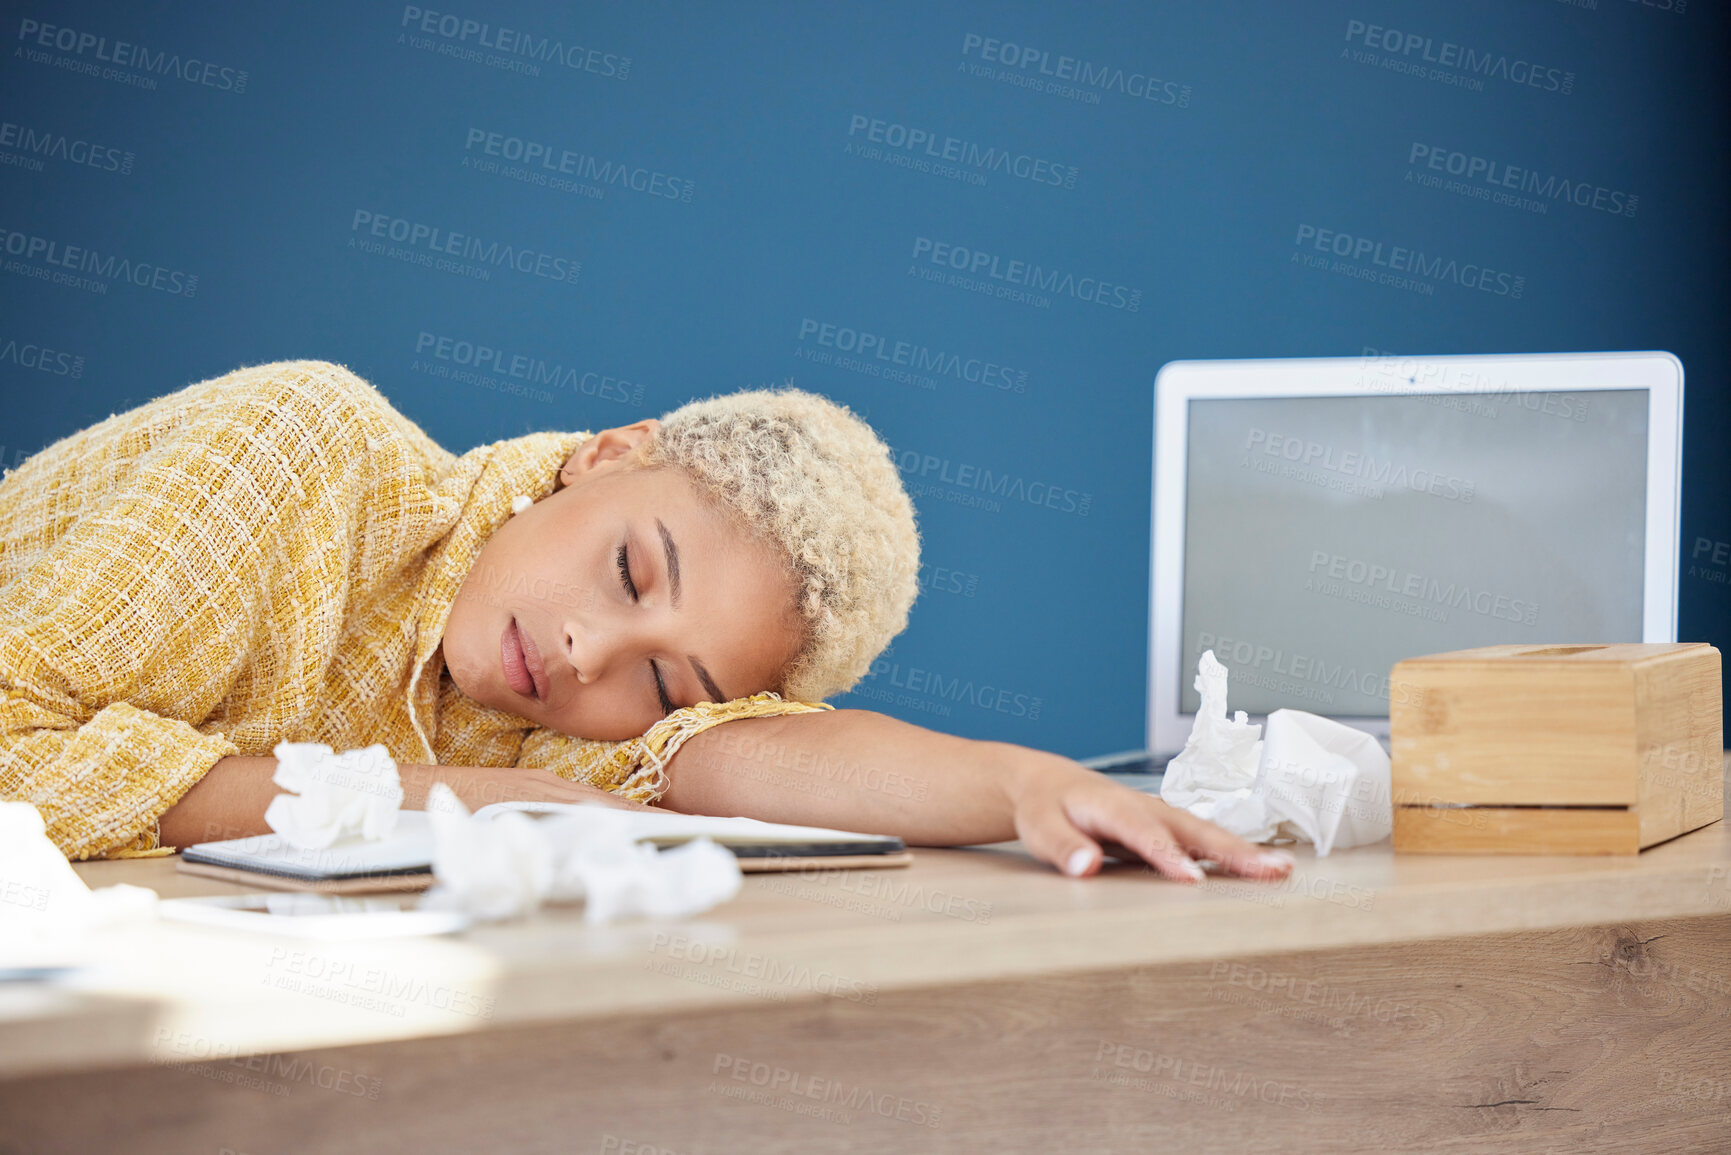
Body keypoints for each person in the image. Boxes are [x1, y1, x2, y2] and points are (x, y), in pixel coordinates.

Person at [0, 360, 1292, 884]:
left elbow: (753, 762)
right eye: (630, 571)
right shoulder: (300, 450)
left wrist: (1022, 786)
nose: (585, 659)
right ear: (604, 457)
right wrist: (430, 798)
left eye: (665, 682)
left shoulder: (551, 723)